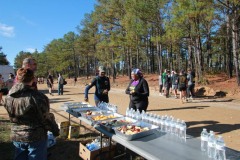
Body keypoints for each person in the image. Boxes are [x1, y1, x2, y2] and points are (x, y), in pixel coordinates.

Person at [4, 68, 59, 160]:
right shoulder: (38, 97)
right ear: (33, 79)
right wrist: (55, 130)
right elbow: (46, 118)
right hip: (36, 136)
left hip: (17, 134)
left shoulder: (8, 97)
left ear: (17, 78)